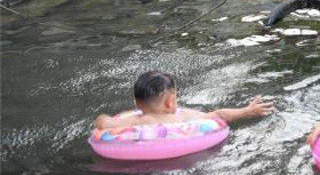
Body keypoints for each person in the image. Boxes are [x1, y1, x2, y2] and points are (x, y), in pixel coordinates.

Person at [94, 71, 274, 130]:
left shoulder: (134, 121)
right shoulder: (184, 118)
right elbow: (220, 114)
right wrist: (247, 111)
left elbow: (102, 123)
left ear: (136, 103)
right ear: (170, 102)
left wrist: (103, 118)